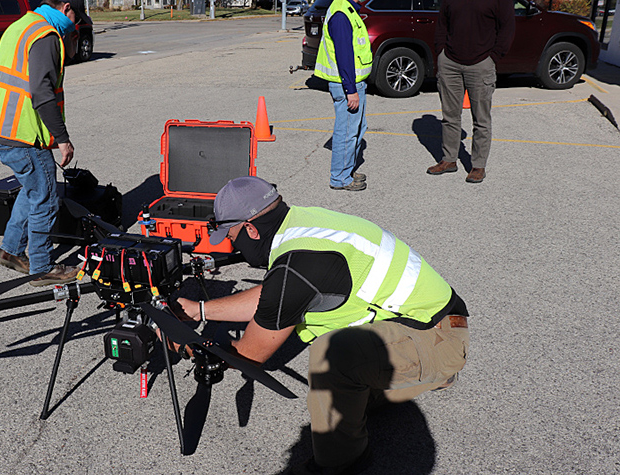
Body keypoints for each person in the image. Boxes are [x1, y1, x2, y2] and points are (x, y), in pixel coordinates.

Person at [172, 176, 469, 474]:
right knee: (347, 387)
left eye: (232, 235)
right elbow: (274, 294)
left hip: (437, 338)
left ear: (250, 228)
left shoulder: (296, 268)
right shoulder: (301, 224)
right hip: (436, 322)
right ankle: (429, 374)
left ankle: (341, 463)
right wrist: (199, 310)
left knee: (334, 356)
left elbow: (251, 355)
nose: (231, 243)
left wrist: (188, 344)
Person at [0, 0, 89, 286]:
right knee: (45, 197)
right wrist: (63, 139)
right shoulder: (46, 35)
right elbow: (41, 92)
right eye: (76, 16)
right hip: (21, 135)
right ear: (66, 8)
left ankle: (11, 250)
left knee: (32, 190)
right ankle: (42, 266)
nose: (75, 24)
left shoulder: (21, 26)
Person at [427, 0, 515, 183]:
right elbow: (442, 23)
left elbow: (507, 28)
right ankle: (449, 160)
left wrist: (493, 57)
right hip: (450, 62)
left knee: (481, 119)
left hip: (481, 63)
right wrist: (440, 51)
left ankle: (478, 165)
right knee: (450, 116)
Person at [313, 0, 372, 192]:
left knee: (356, 128)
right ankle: (340, 178)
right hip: (347, 84)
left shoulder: (347, 10)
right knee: (346, 131)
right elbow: (344, 54)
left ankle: (347, 169)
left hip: (352, 82)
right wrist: (351, 90)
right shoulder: (341, 14)